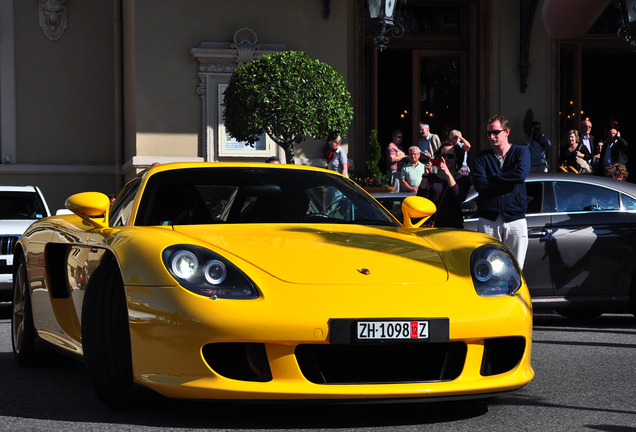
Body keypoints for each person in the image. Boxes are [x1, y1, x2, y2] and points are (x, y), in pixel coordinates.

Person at [472, 115, 531, 269]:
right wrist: (508, 182)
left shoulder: (521, 152)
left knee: (516, 269)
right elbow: (481, 185)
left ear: (507, 132)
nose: (492, 137)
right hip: (489, 221)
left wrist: (495, 178)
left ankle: (514, 294)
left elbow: (520, 175)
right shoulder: (481, 158)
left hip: (515, 219)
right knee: (489, 268)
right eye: (489, 133)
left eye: (496, 132)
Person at [417, 141, 472, 228]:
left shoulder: (463, 179)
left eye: (450, 156)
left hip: (453, 226)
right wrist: (425, 175)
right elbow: (421, 198)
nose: (446, 159)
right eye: (443, 156)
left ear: (457, 158)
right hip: (433, 225)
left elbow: (458, 197)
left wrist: (447, 174)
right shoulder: (432, 178)